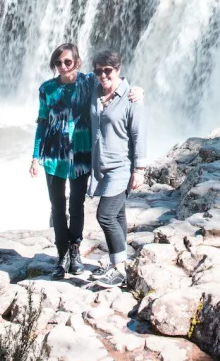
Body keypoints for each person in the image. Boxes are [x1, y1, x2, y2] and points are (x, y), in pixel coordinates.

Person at [30, 43, 141, 279]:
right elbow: (41, 122)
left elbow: (113, 77)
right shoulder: (47, 89)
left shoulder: (88, 81)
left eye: (67, 62)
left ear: (78, 63)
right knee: (58, 207)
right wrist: (35, 156)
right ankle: (62, 256)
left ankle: (75, 251)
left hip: (81, 156)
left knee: (76, 206)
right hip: (54, 156)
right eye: (58, 63)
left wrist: (138, 90)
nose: (62, 67)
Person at [87, 50, 147, 288]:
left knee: (105, 215)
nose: (103, 75)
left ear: (118, 70)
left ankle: (118, 269)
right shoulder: (95, 93)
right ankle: (120, 263)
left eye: (108, 70)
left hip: (121, 167)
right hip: (101, 166)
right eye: (98, 71)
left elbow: (138, 134)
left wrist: (139, 169)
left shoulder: (132, 98)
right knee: (119, 214)